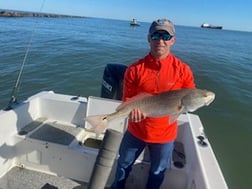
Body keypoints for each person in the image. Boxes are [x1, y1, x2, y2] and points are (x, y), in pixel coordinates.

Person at [110, 18, 195, 189]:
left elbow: (190, 97)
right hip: (136, 131)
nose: (160, 41)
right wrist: (131, 114)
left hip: (165, 135)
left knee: (158, 172)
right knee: (123, 165)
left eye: (166, 36)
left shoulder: (183, 70)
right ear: (149, 38)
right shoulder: (134, 69)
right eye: (156, 35)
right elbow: (127, 100)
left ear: (173, 40)